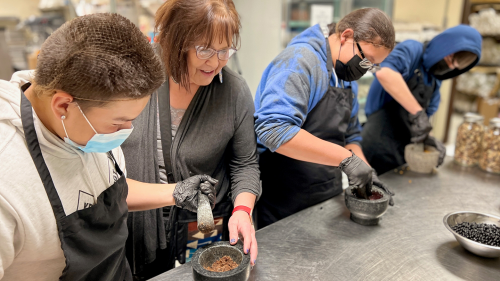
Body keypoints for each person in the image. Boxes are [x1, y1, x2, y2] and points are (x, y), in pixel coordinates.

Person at [0, 13, 218, 280]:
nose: (127, 132)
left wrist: (176, 191)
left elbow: (105, 191)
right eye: (118, 123)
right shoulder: (7, 178)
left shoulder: (85, 122)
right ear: (63, 106)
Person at [120, 0, 261, 277]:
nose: (216, 61)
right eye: (205, 49)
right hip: (137, 220)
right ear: (175, 41)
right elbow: (103, 174)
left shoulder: (233, 91)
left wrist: (243, 210)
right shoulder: (134, 76)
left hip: (203, 223)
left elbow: (245, 163)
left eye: (225, 50)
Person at [253, 8, 396, 229]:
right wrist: (346, 160)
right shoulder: (300, 62)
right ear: (346, 36)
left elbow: (350, 135)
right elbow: (274, 130)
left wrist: (367, 172)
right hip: (285, 197)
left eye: (372, 65)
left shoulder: (345, 78)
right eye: (366, 60)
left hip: (326, 192)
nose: (366, 70)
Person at [361, 25, 482, 174]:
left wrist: (429, 138)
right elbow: (385, 73)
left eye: (454, 67)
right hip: (377, 142)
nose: (449, 66)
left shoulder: (434, 81)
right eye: (450, 58)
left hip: (403, 148)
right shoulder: (413, 49)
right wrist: (417, 112)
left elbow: (423, 120)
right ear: (444, 45)